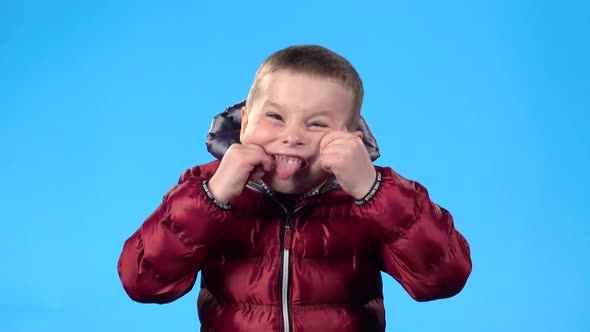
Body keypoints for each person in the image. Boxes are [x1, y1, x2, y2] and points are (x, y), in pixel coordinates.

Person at [117, 45, 472, 332]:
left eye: (317, 124)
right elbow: (144, 283)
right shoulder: (205, 189)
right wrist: (211, 198)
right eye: (275, 117)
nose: (292, 136)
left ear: (351, 138)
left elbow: (442, 278)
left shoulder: (372, 196)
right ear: (243, 124)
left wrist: (374, 191)